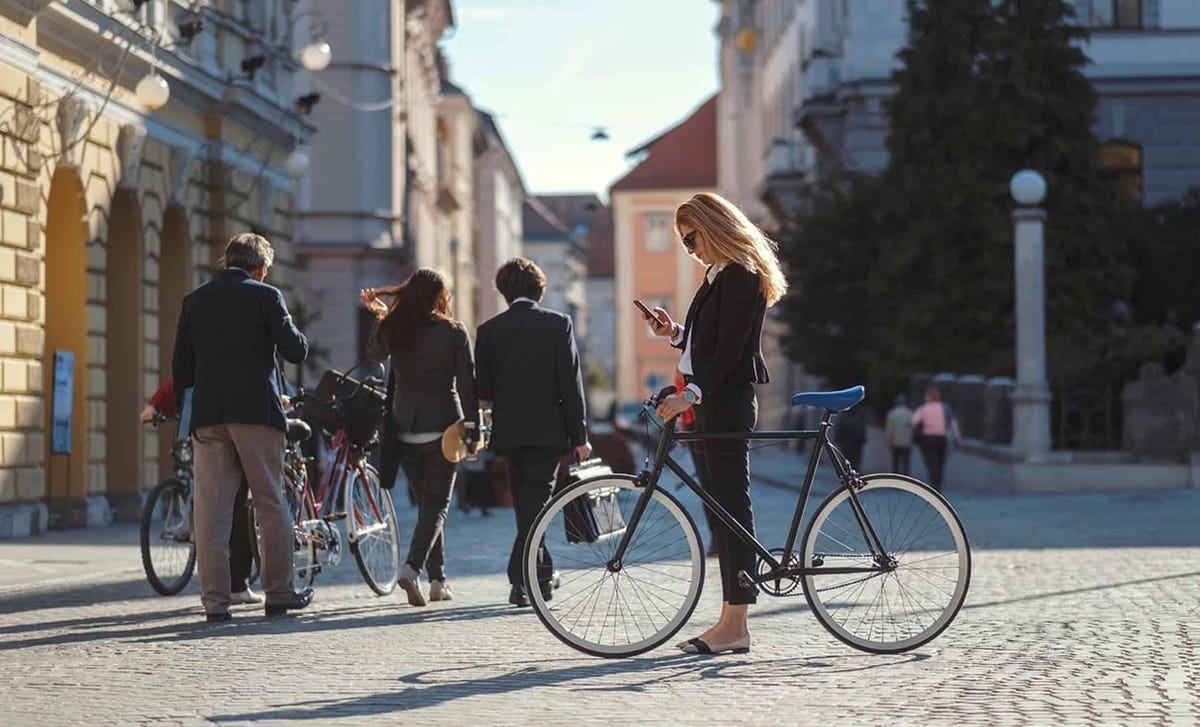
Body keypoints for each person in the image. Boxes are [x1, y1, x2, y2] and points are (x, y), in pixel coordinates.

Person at [646, 192, 787, 656]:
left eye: (691, 239)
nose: (690, 250)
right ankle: (730, 619)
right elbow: (709, 343)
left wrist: (693, 391)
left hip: (725, 403)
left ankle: (736, 623)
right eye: (684, 244)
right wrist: (677, 335)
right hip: (710, 402)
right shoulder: (718, 276)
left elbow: (730, 352)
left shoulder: (742, 274)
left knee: (732, 512)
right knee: (722, 515)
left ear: (713, 227)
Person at [173, 233, 312, 622]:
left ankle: (215, 603)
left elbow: (182, 368)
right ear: (262, 268)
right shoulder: (266, 296)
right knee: (270, 502)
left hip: (209, 416)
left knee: (211, 512)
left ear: (225, 261)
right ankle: (279, 594)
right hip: (256, 415)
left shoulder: (195, 300)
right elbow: (295, 350)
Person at [474, 258, 591, 608]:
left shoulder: (489, 330)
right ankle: (523, 580)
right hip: (548, 431)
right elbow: (571, 386)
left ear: (504, 291)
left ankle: (535, 575)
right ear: (539, 289)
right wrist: (579, 436)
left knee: (527, 505)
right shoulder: (558, 324)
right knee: (534, 504)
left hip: (509, 431)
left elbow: (485, 387)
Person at [362, 268, 478, 607]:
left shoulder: (396, 328)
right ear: (440, 296)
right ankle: (412, 568)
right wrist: (473, 429)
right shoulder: (454, 332)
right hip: (445, 427)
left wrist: (381, 317)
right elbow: (467, 385)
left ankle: (438, 580)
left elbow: (373, 355)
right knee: (437, 506)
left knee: (427, 504)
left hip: (405, 428)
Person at [141, 377, 261, 605]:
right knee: (192, 472)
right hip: (200, 427)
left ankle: (233, 584)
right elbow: (178, 381)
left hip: (217, 424)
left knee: (235, 501)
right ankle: (230, 587)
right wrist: (153, 406)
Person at [674, 368, 718, 558]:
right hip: (693, 422)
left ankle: (721, 539)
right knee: (707, 486)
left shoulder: (695, 356)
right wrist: (683, 421)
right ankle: (716, 539)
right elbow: (679, 386)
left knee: (714, 485)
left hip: (707, 418)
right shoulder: (686, 356)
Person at [911, 386, 961, 492]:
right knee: (940, 462)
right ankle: (938, 484)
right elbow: (953, 424)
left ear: (928, 396)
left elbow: (914, 421)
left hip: (927, 439)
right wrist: (958, 439)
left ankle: (933, 484)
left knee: (931, 462)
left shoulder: (923, 408)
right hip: (941, 439)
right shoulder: (945, 408)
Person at [883, 394, 914, 475]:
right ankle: (906, 480)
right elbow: (912, 429)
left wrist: (888, 441)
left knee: (895, 463)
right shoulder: (910, 414)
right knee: (906, 464)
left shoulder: (892, 414)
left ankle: (895, 479)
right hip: (907, 442)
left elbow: (889, 430)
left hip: (895, 441)